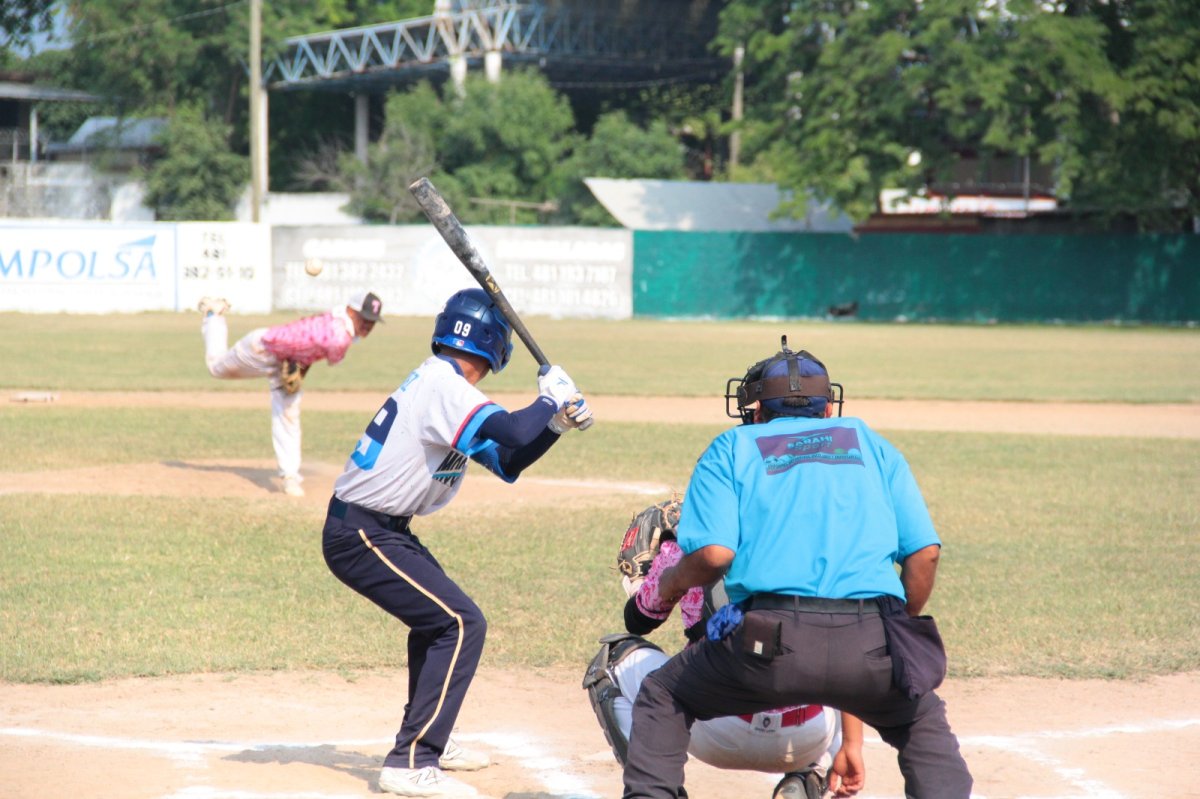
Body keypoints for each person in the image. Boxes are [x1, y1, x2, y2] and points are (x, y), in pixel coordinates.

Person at [621, 337, 973, 799]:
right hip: (872, 641)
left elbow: (714, 556)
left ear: (757, 412)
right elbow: (925, 553)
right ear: (829, 409)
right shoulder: (871, 443)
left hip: (766, 641)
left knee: (664, 694)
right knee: (920, 718)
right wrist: (899, 628)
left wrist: (666, 582)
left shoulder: (733, 445)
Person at [322, 287, 592, 798]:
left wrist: (554, 423)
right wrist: (548, 398)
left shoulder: (443, 385)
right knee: (459, 623)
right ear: (496, 346)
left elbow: (507, 460)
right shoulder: (443, 384)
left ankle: (429, 741)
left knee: (438, 623)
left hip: (382, 530)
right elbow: (512, 430)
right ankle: (410, 762)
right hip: (361, 532)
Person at [584, 498, 865, 799]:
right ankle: (809, 776)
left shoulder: (688, 544)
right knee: (837, 653)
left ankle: (656, 785)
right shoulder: (817, 543)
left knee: (611, 663)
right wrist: (852, 745)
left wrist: (640, 581)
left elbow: (639, 619)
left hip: (716, 726)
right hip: (806, 736)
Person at [198, 291, 384, 497]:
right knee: (216, 367)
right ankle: (213, 315)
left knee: (288, 414)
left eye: (372, 321)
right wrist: (300, 371)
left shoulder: (338, 317)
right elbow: (319, 350)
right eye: (364, 318)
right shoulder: (340, 338)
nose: (368, 325)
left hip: (285, 359)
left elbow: (309, 346)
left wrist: (298, 369)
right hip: (262, 349)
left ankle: (290, 477)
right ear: (350, 310)